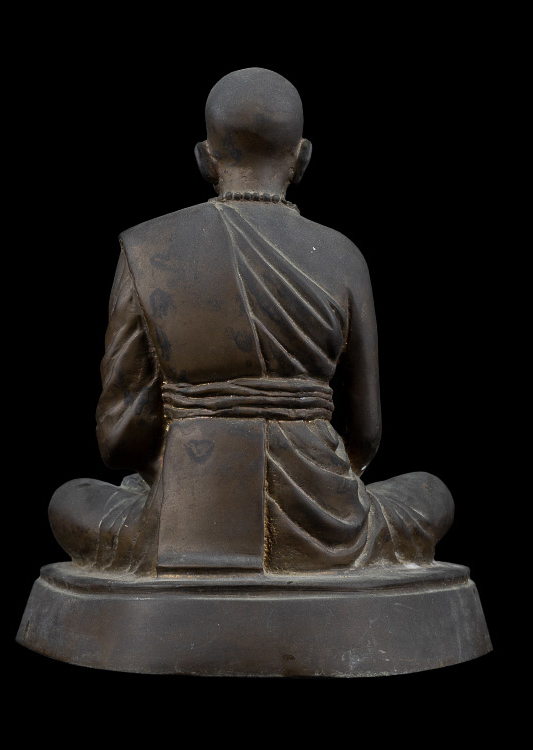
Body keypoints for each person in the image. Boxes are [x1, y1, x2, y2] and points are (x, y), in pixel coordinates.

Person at [49, 68, 454, 576]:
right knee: (430, 493)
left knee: (71, 499)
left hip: (183, 518)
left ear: (204, 158)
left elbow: (117, 440)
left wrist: (180, 468)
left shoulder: (148, 249)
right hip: (327, 520)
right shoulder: (343, 256)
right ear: (302, 157)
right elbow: (366, 435)